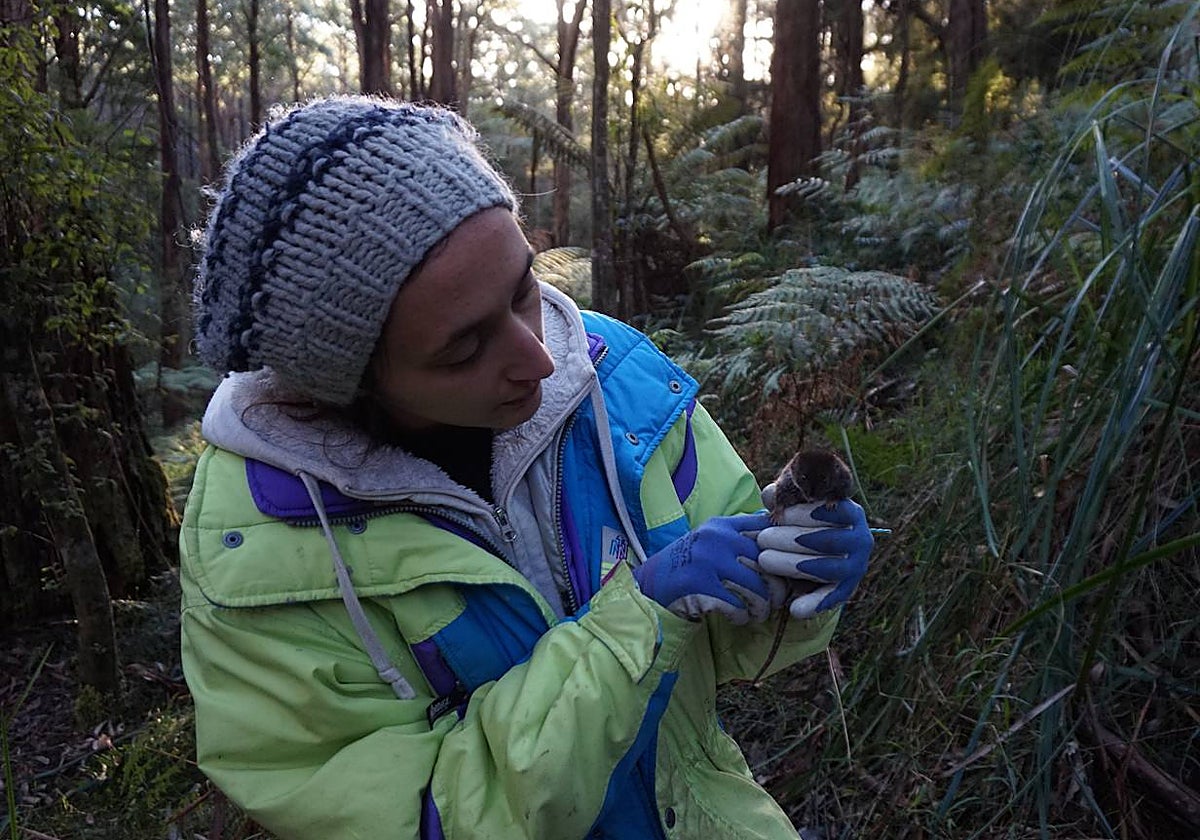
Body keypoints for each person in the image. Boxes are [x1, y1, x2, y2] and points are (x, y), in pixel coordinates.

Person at [179, 95, 874, 840]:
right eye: (463, 349)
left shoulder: (616, 383)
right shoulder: (259, 553)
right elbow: (422, 820)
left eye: (523, 289)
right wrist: (634, 623)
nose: (540, 358)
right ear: (346, 381)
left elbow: (739, 647)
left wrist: (793, 578)